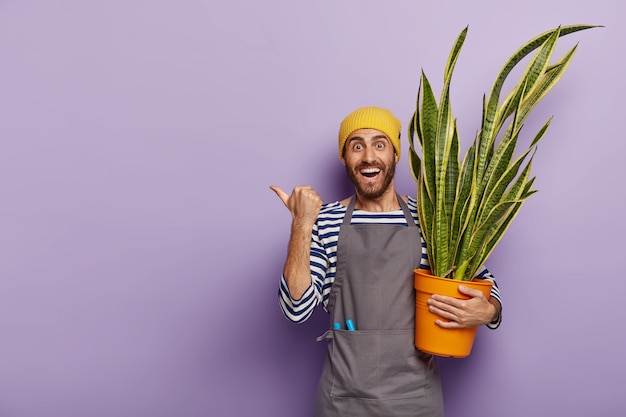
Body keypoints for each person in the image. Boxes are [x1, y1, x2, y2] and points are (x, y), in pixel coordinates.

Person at [270, 106, 502, 417]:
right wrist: (302, 223)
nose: (368, 156)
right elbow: (295, 310)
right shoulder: (323, 221)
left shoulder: (431, 221)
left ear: (395, 155)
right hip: (342, 404)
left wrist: (489, 310)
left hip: (417, 402)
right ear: (345, 158)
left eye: (380, 144)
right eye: (356, 146)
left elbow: (483, 283)